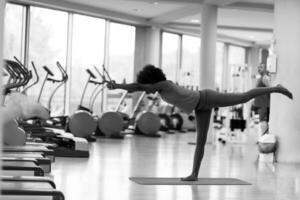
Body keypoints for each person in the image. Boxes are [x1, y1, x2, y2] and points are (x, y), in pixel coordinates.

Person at [107, 64, 293, 181]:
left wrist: (119, 86)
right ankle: (194, 174)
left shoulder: (166, 85)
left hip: (207, 97)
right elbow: (140, 86)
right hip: (200, 108)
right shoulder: (161, 91)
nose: (146, 87)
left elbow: (139, 86)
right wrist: (118, 86)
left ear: (153, 80)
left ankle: (275, 88)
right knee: (201, 141)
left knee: (243, 97)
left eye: (147, 83)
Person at [253, 63, 271, 135]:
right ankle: (263, 137)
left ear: (265, 69)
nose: (259, 69)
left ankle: (264, 138)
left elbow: (271, 89)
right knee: (262, 121)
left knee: (263, 121)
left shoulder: (264, 78)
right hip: (260, 104)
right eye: (258, 67)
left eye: (261, 67)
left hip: (264, 104)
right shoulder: (260, 78)